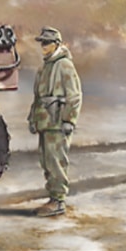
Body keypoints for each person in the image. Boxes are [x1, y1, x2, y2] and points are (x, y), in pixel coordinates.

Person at [28, 26, 83, 217]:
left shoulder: (64, 65)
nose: (43, 46)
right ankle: (53, 198)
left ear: (56, 44)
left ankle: (58, 200)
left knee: (56, 161)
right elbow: (37, 97)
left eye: (47, 42)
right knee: (47, 161)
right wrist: (33, 118)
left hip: (57, 121)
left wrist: (69, 119)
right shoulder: (45, 66)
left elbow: (74, 95)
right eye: (42, 42)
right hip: (45, 121)